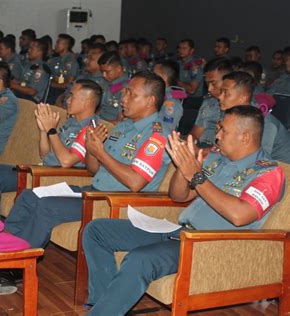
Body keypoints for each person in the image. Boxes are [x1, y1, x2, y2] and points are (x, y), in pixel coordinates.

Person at [0, 72, 172, 296]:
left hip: (115, 202)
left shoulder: (156, 136)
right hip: (94, 191)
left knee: (46, 207)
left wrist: (100, 152)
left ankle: (11, 271)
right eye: (126, 91)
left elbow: (135, 182)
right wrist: (93, 150)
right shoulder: (121, 128)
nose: (123, 98)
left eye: (131, 94)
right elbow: (93, 170)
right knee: (30, 196)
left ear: (150, 100)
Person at [82, 105, 285, 315]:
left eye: (223, 130)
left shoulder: (267, 173)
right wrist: (184, 167)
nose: (216, 136)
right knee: (97, 230)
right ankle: (104, 306)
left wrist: (197, 176)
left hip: (207, 245)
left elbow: (240, 216)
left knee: (140, 259)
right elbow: (179, 196)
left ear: (245, 137)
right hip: (178, 232)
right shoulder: (217, 159)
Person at [0, 79, 102, 218]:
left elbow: (66, 161)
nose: (68, 100)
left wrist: (52, 130)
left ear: (87, 102)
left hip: (54, 176)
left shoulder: (90, 129)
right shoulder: (72, 122)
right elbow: (44, 154)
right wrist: (43, 130)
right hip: (42, 168)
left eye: (73, 96)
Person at [219, 72, 290, 163]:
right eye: (221, 92)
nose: (220, 97)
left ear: (243, 98)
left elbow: (258, 162)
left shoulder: (263, 123)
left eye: (226, 93)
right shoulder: (235, 116)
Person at [189, 57, 232, 146]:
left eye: (213, 83)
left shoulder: (243, 109)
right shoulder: (209, 103)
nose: (209, 89)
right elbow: (195, 134)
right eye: (207, 83)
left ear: (227, 81)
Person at [97, 51, 129, 122]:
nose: (104, 75)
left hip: (110, 124)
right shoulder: (106, 82)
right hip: (99, 119)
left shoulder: (127, 87)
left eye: (107, 72)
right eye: (102, 72)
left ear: (118, 69)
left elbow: (120, 119)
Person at [46, 34, 79, 103]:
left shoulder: (71, 62)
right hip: (52, 89)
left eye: (58, 43)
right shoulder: (55, 60)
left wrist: (50, 84)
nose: (55, 45)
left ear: (66, 45)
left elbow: (69, 84)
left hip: (62, 92)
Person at [153, 60, 184, 131]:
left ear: (164, 78)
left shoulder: (171, 101)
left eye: (154, 75)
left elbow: (166, 129)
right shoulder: (156, 95)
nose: (151, 78)